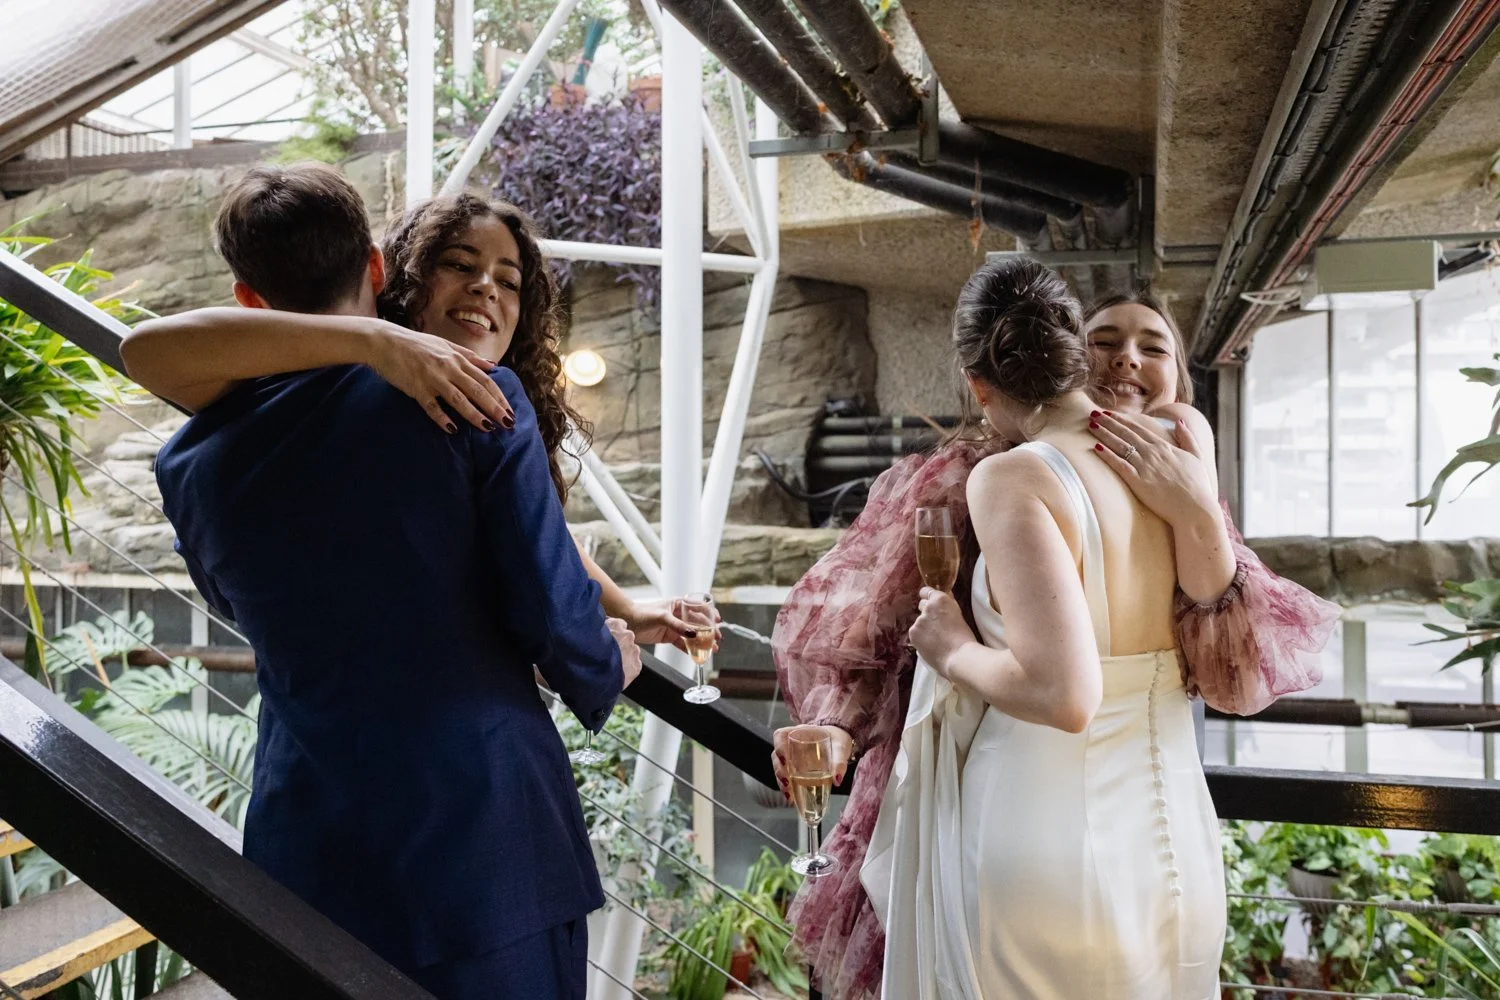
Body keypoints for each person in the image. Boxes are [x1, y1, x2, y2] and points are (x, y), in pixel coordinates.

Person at [134, 163, 640, 999]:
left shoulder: (188, 459)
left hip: (310, 838)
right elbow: (552, 611)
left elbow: (231, 605)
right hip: (484, 843)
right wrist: (613, 658)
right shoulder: (475, 395)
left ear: (246, 296)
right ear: (377, 268)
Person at [771, 286, 1339, 999]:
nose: (1129, 361)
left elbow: (1066, 693)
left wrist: (950, 648)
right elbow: (1208, 609)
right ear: (1076, 354)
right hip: (1175, 843)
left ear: (977, 383)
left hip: (1040, 832)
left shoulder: (1013, 476)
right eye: (1108, 342)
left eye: (1153, 345)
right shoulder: (1180, 443)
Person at [124, 187, 700, 652]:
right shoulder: (316, 403)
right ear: (391, 271)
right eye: (459, 264)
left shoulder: (197, 447)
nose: (485, 287)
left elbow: (530, 535)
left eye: (509, 280)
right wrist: (378, 339)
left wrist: (622, 607)